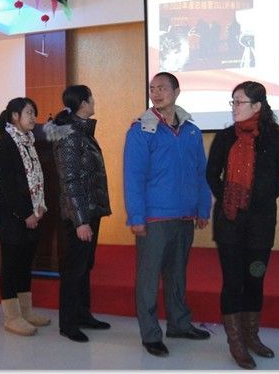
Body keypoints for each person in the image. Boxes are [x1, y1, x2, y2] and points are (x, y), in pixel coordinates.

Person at [123, 72, 212, 357]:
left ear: (176, 91)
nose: (156, 93)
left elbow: (201, 173)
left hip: (184, 216)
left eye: (162, 88)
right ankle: (151, 334)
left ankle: (179, 324)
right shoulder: (141, 129)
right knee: (148, 279)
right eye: (152, 88)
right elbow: (133, 177)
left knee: (177, 275)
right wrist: (136, 217)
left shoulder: (191, 131)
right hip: (154, 218)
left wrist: (202, 208)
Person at [206, 81, 279, 369]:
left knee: (255, 279)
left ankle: (251, 336)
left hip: (261, 225)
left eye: (239, 102)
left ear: (257, 106)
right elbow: (211, 175)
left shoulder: (276, 138)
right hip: (230, 223)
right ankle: (236, 343)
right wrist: (230, 198)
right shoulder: (225, 137)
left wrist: (256, 201)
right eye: (233, 102)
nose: (234, 107)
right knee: (233, 281)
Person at [43, 85, 112, 343]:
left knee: (84, 266)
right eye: (91, 99)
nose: (94, 102)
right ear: (83, 103)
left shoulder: (81, 131)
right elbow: (69, 181)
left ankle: (83, 315)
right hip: (78, 215)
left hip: (89, 210)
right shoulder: (70, 136)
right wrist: (81, 221)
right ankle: (69, 324)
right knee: (74, 269)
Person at [0, 97, 50, 336]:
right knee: (11, 265)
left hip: (32, 213)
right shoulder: (5, 145)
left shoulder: (29, 142)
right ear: (15, 116)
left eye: (34, 113)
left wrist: (38, 208)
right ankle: (12, 316)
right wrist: (26, 213)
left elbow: (35, 178)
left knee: (26, 264)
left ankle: (26, 311)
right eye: (29, 113)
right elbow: (7, 186)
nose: (33, 117)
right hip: (13, 216)